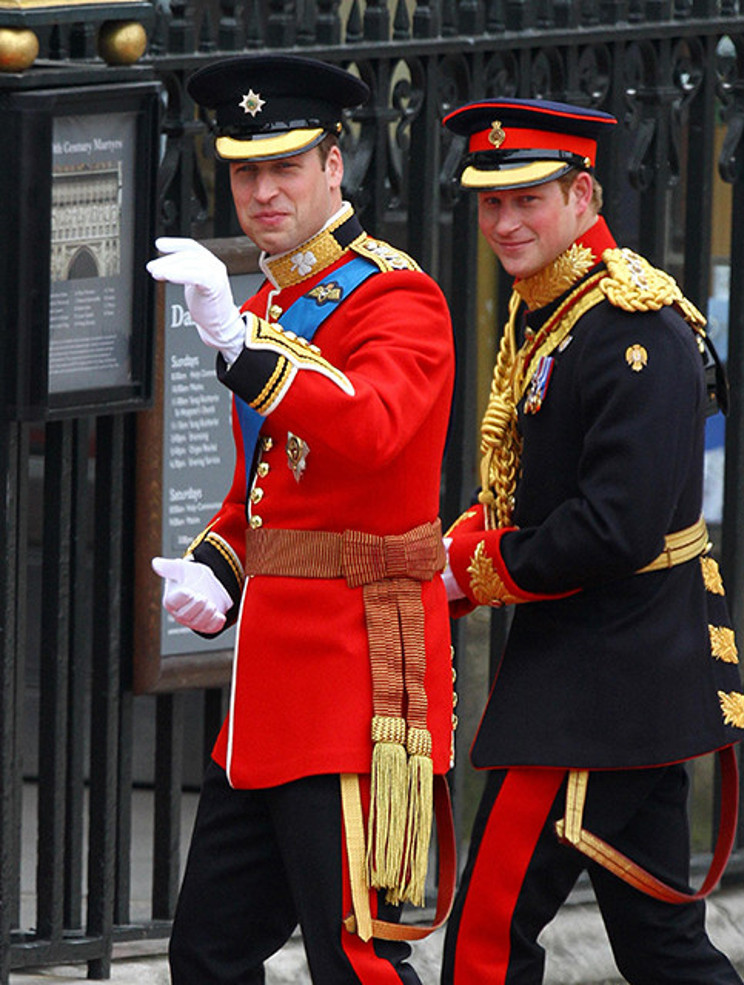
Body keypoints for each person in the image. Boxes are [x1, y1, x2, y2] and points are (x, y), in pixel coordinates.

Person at [146, 53, 456, 985]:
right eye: (246, 171)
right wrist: (217, 566)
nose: (264, 191)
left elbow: (369, 427)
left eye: (285, 167)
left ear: (334, 165)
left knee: (356, 956)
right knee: (207, 953)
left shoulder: (397, 295)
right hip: (268, 691)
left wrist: (244, 347)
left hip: (357, 680)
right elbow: (266, 489)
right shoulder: (274, 299)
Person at [439, 97, 744, 984]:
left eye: (527, 199)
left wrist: (476, 570)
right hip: (616, 677)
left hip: (600, 681)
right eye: (491, 204)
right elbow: (527, 477)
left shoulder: (631, 325)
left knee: (485, 939)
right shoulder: (553, 302)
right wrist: (463, 537)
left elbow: (612, 526)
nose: (504, 222)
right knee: (663, 948)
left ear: (582, 194)